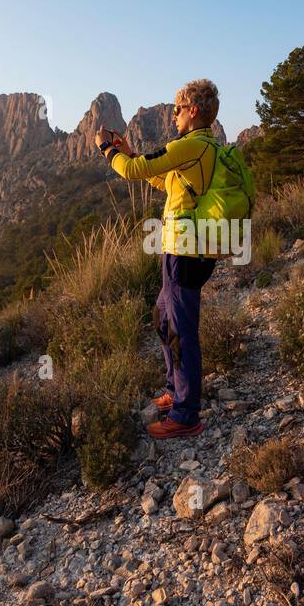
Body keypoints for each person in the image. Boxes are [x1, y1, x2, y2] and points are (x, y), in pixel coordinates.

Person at [96, 78, 222, 439]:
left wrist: (107, 149)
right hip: (177, 248)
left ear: (193, 111)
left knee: (182, 329)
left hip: (186, 248)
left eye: (178, 109)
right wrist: (130, 151)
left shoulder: (193, 144)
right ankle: (175, 390)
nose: (173, 115)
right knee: (163, 317)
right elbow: (159, 180)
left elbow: (134, 172)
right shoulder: (196, 149)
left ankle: (186, 415)